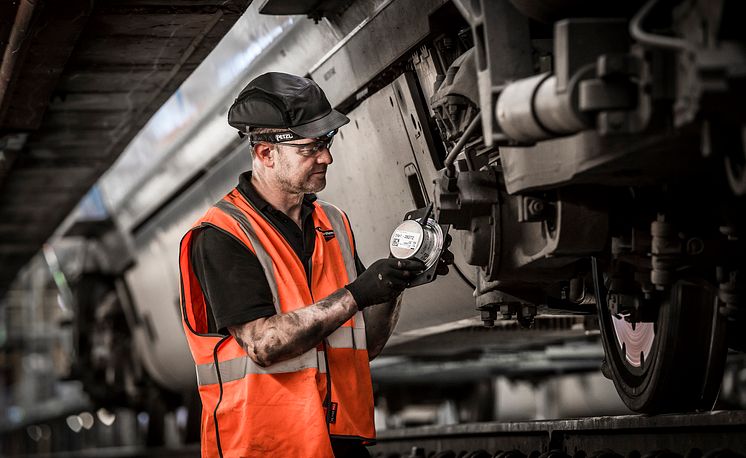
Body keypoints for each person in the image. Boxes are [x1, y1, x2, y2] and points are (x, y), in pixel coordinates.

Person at [178, 72, 449, 458]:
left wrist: (399, 279)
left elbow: (364, 345)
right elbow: (263, 343)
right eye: (311, 148)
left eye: (327, 142)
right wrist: (358, 293)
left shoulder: (333, 223)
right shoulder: (222, 234)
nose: (327, 157)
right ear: (265, 153)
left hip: (338, 440)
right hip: (268, 447)